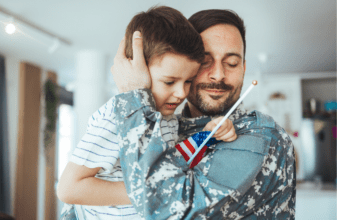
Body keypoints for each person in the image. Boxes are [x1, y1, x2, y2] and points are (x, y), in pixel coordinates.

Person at [111, 9, 296, 219]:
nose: (218, 75)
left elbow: (167, 209)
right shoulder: (164, 125)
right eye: (205, 61)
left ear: (243, 68)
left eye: (232, 63)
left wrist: (134, 96)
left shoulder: (261, 135)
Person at [57, 6, 237, 220]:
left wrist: (207, 136)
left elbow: (166, 164)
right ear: (137, 69)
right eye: (169, 81)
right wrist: (150, 193)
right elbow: (68, 189)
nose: (181, 93)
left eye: (188, 81)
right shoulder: (115, 117)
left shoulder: (166, 117)